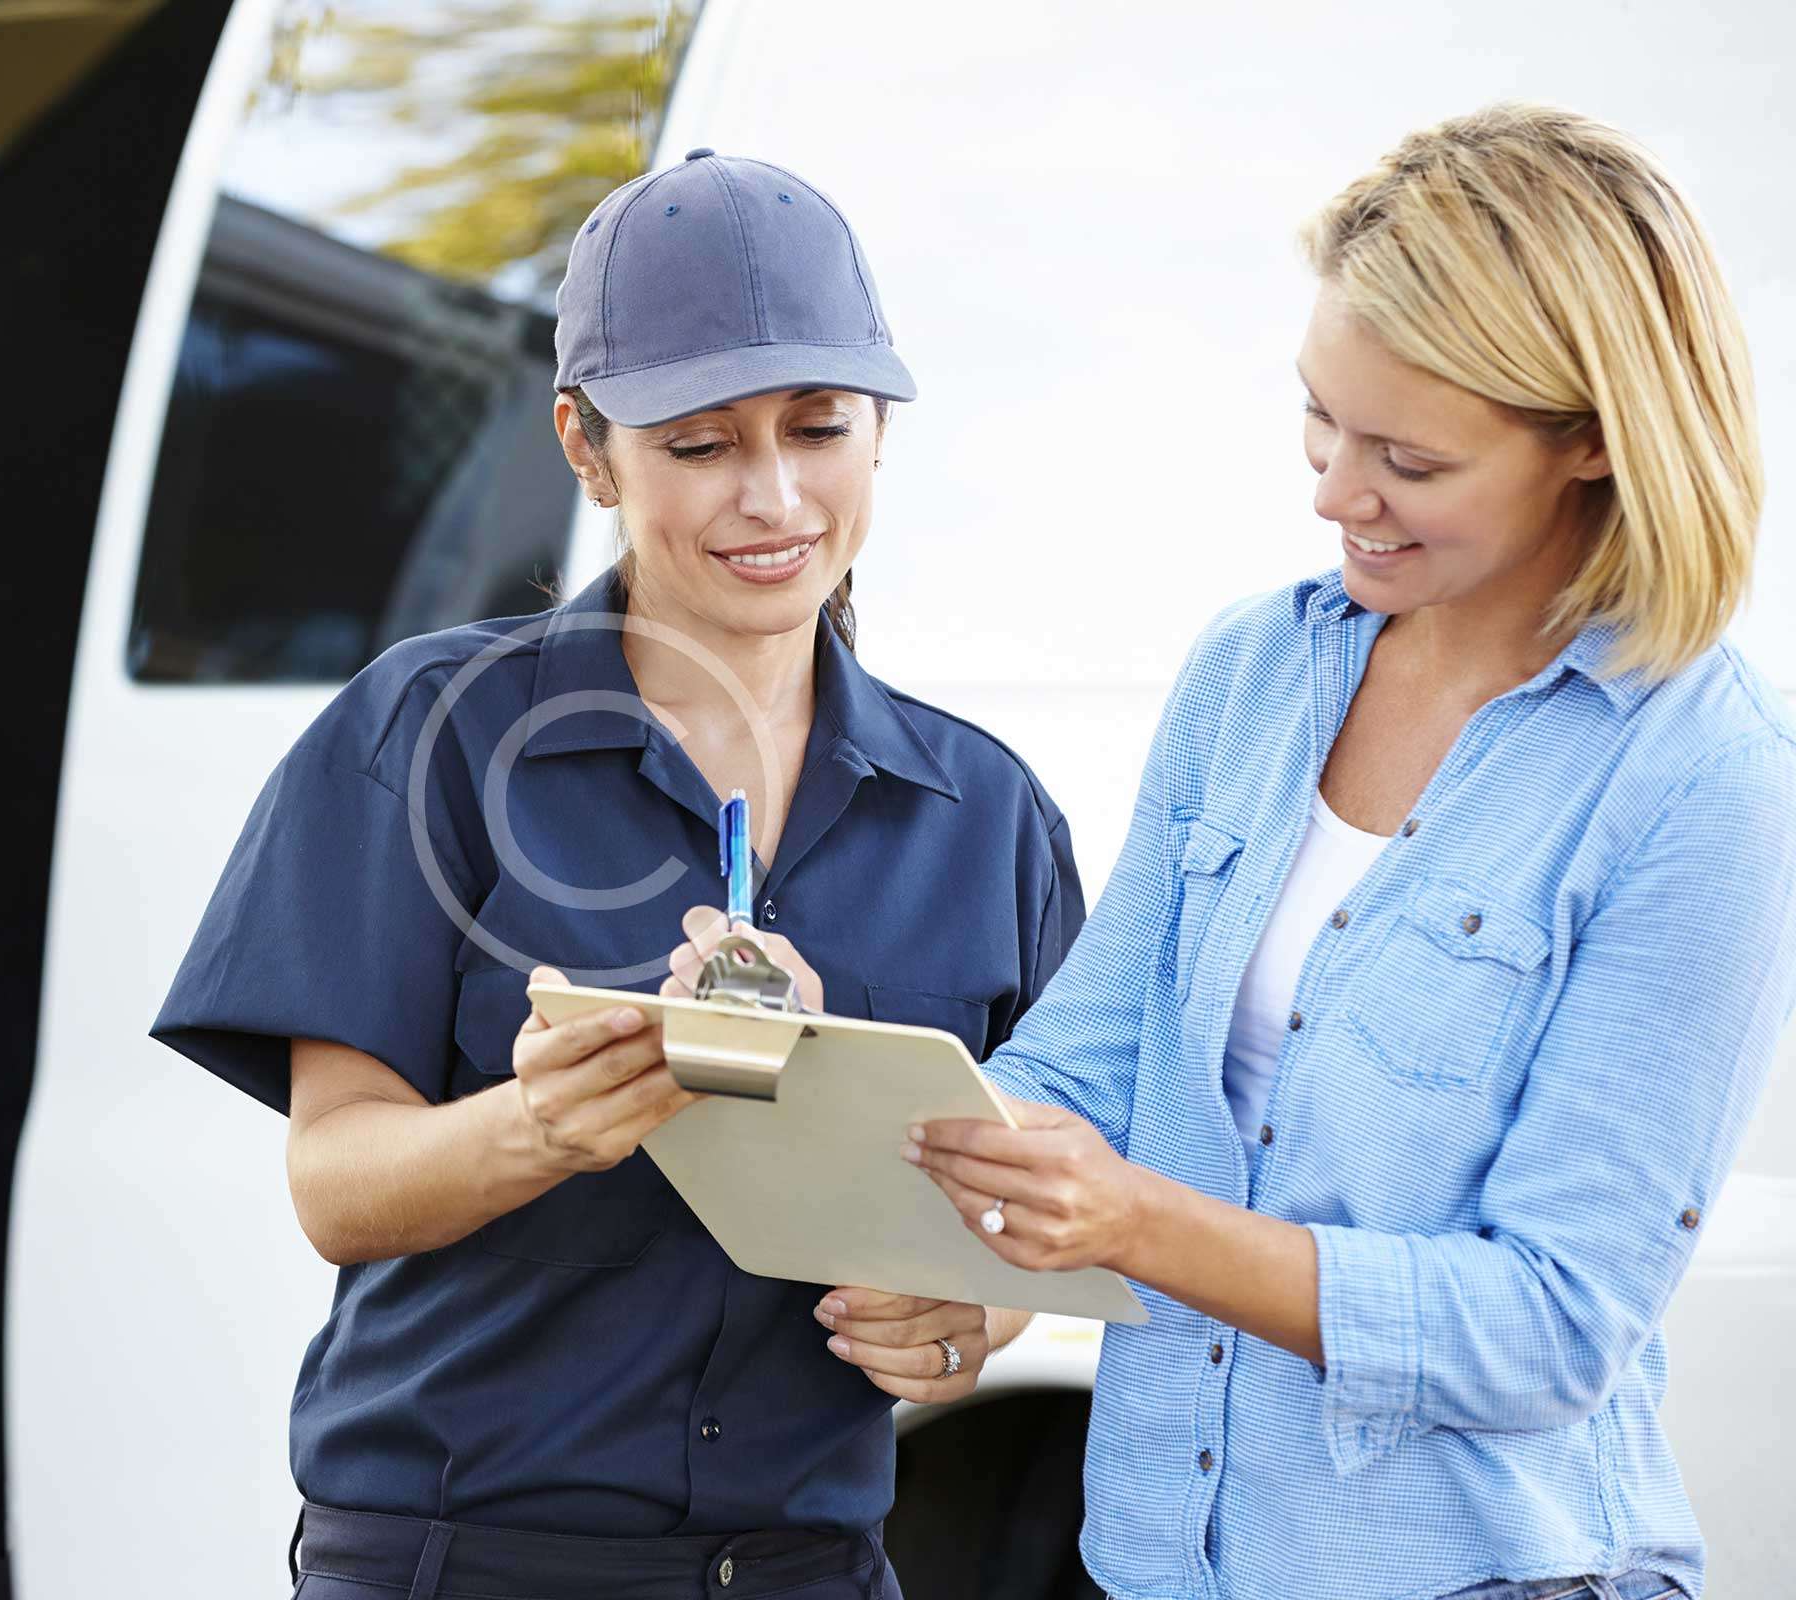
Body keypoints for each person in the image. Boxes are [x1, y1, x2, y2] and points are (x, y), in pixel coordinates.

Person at [679, 103, 1796, 1600]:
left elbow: (1548, 1328)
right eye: (1320, 421)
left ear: (1591, 443)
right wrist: (901, 1175)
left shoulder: (1701, 778)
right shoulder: (1257, 672)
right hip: (1161, 1566)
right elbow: (1082, 1069)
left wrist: (1139, 1224)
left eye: (1406, 456)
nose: (1335, 493)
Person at [151, 149, 1086, 1600]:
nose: (774, 496)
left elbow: (1039, 1216)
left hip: (811, 1568)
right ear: (588, 449)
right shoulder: (428, 743)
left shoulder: (986, 815)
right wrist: (542, 1126)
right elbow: (336, 1181)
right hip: (467, 1566)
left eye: (819, 428)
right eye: (700, 445)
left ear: (879, 428)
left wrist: (966, 1319)